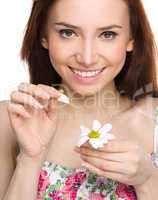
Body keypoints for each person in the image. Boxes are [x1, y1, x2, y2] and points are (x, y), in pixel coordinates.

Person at [0, 0, 158, 199]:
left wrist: (149, 181)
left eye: (108, 34)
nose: (87, 58)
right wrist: (30, 160)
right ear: (44, 37)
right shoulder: (12, 120)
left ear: (131, 39)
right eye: (68, 32)